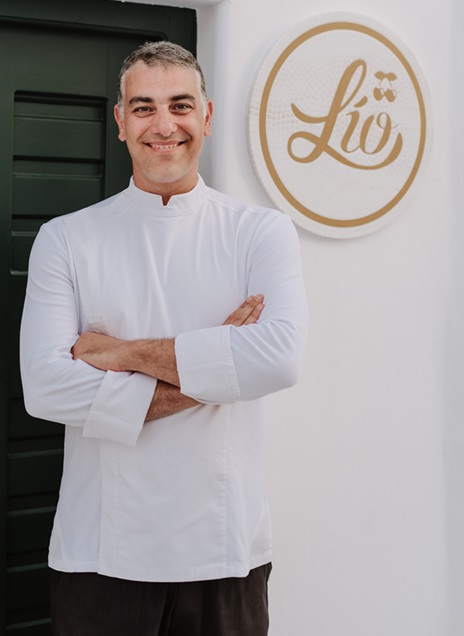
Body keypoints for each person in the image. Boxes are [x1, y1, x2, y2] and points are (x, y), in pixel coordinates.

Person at [20, 40, 308, 635]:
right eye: (143, 107)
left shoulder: (261, 232)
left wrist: (119, 354)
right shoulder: (66, 239)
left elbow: (278, 359)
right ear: (120, 122)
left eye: (180, 105)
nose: (164, 125)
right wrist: (218, 365)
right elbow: (45, 388)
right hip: (101, 552)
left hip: (226, 550)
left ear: (206, 116)